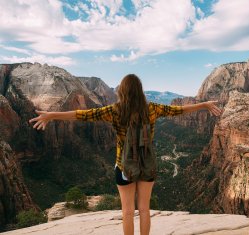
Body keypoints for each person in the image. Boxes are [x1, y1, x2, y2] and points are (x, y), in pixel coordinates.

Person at [29, 74, 223, 235]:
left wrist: (52, 115)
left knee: (128, 212)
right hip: (147, 166)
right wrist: (203, 105)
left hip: (124, 168)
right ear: (140, 90)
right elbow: (179, 110)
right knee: (145, 210)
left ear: (122, 91)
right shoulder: (152, 109)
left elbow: (83, 115)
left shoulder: (115, 111)